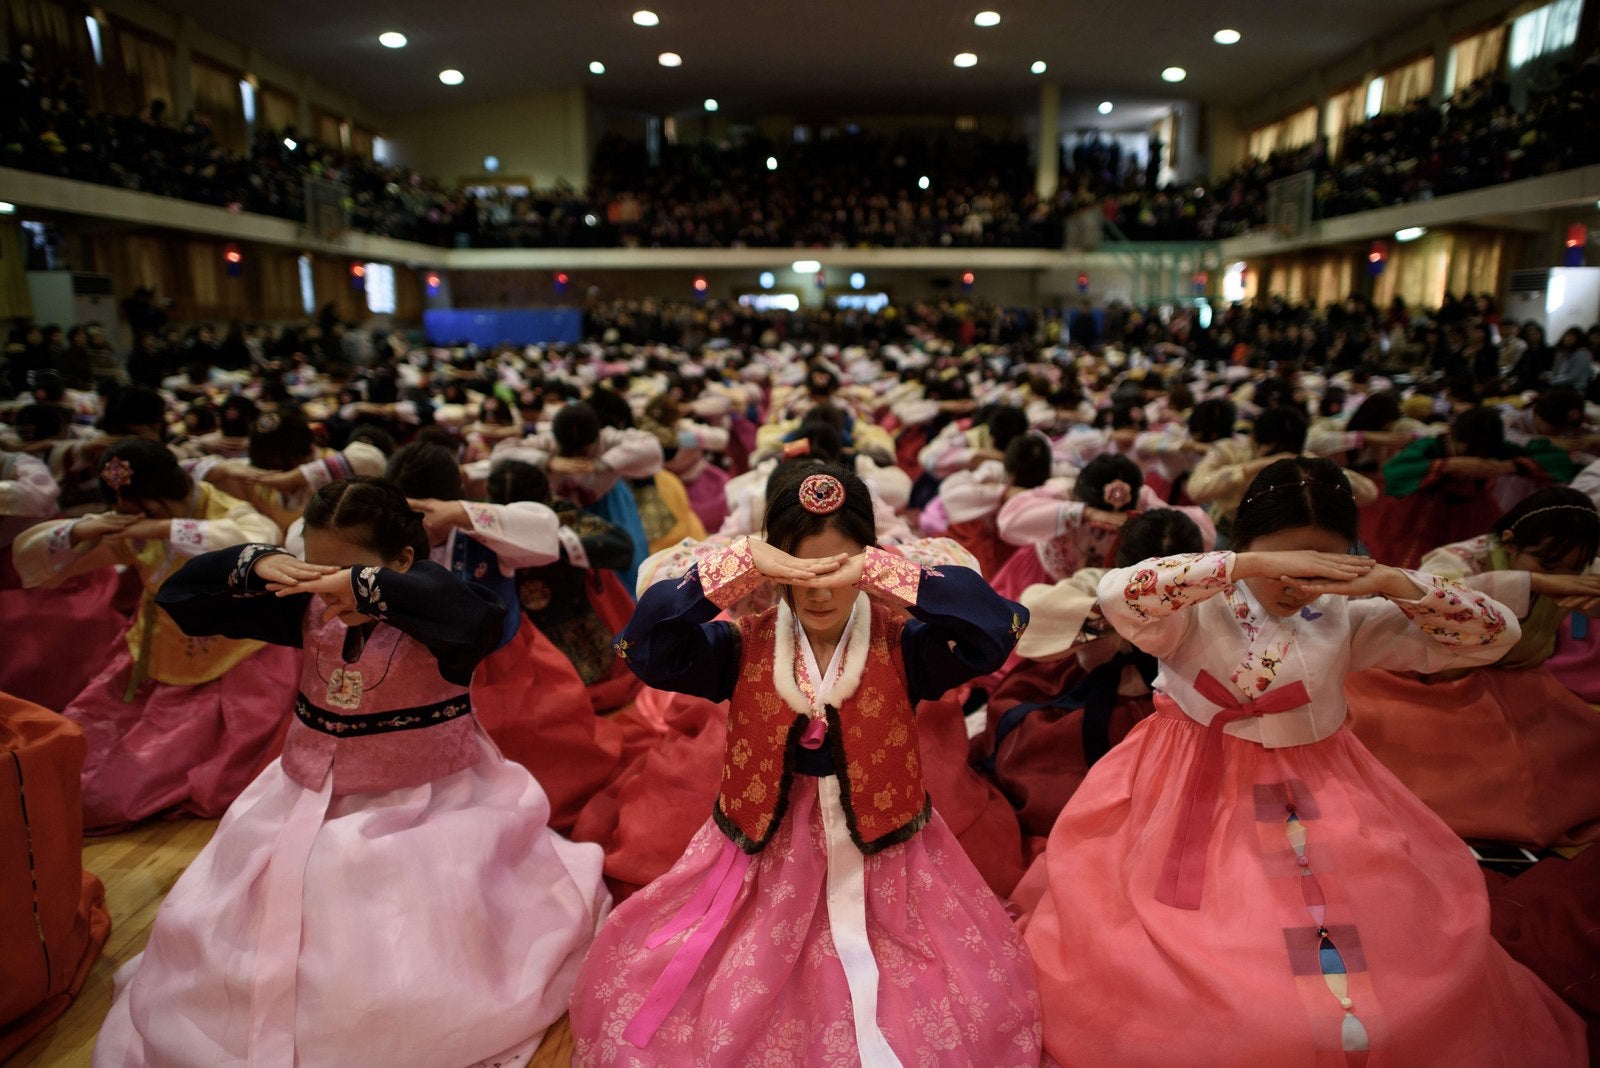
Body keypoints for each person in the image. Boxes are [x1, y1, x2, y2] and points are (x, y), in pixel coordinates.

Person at [1018, 456, 1584, 1065]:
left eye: (1320, 564)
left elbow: (1491, 635)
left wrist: (1397, 583)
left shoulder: (1346, 615)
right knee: (1199, 955)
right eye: (1284, 564)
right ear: (1245, 548)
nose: (1297, 585)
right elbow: (1118, 592)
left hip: (1322, 782)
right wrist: (1249, 566)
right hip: (1185, 780)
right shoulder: (1194, 606)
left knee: (1388, 960)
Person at [92, 476, 610, 1066]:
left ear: (403, 561)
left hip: (428, 800)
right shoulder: (311, 608)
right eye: (315, 565)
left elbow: (474, 618)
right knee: (240, 907)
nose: (323, 583)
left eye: (345, 570)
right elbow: (182, 599)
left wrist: (367, 587)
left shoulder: (439, 613)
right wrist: (257, 564)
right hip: (305, 793)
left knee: (356, 891)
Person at [569, 465, 1041, 1065]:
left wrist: (883, 570)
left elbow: (996, 629)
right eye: (800, 570)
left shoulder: (905, 645)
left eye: (837, 569)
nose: (819, 591)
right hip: (765, 856)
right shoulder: (739, 645)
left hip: (887, 855)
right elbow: (647, 646)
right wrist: (737, 569)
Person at [13, 438, 294, 829]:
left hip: (239, 668)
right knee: (67, 759)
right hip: (150, 658)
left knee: (109, 793)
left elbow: (259, 537)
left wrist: (160, 527)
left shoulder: (226, 512)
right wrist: (82, 529)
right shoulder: (135, 523)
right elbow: (31, 557)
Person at [1346, 487, 1600, 846]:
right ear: (1509, 543)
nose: (1565, 577)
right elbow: (1436, 595)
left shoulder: (1579, 564)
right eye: (1547, 566)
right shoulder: (1457, 558)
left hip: (1520, 681)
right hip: (1432, 684)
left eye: (1574, 570)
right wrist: (1532, 583)